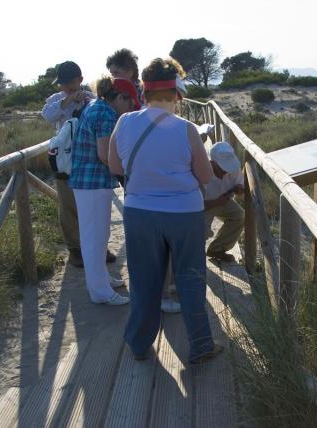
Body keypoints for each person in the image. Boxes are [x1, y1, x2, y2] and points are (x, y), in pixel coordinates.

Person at [109, 58, 222, 363]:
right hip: (185, 214)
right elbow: (205, 178)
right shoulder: (186, 129)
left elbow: (115, 166)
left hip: (139, 213)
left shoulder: (125, 122)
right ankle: (200, 344)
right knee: (190, 278)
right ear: (177, 94)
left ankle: (138, 344)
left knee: (144, 280)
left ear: (143, 92)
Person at [69, 77, 140, 305]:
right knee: (94, 237)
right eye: (129, 104)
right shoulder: (107, 114)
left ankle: (102, 280)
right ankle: (100, 292)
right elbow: (104, 154)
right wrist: (128, 170)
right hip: (92, 182)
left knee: (99, 235)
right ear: (120, 97)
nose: (129, 110)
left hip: (89, 181)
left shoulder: (95, 106)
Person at [41, 61, 117, 268]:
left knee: (94, 206)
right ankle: (75, 250)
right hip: (65, 160)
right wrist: (67, 102)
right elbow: (47, 116)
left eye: (70, 82)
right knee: (68, 205)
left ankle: (99, 247)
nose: (66, 86)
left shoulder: (92, 99)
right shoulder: (56, 100)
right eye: (62, 83)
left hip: (89, 159)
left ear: (80, 80)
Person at [203, 142, 245, 262]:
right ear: (212, 162)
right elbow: (194, 205)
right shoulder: (201, 173)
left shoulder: (234, 169)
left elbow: (240, 185)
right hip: (204, 206)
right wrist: (216, 202)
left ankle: (217, 249)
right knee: (200, 231)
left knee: (239, 216)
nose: (226, 171)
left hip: (224, 201)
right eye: (222, 167)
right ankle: (193, 260)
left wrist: (239, 189)